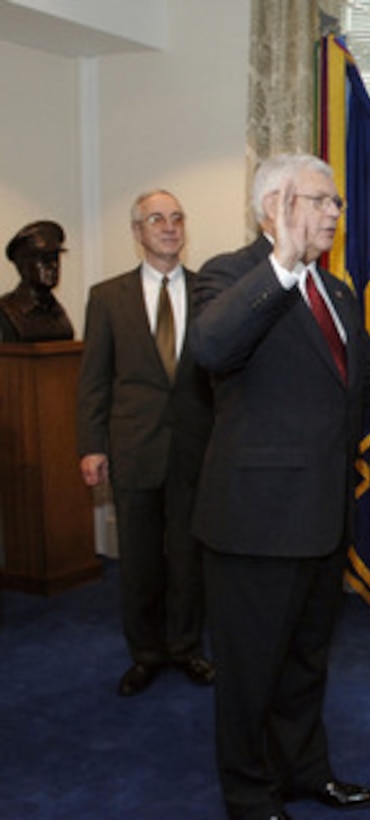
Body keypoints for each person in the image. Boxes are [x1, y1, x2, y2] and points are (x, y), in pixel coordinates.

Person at [190, 152, 370, 820]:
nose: (334, 213)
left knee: (304, 663)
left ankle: (303, 771)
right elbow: (211, 348)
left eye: (335, 203)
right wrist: (282, 266)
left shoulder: (339, 291)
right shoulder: (229, 276)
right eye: (321, 200)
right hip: (253, 522)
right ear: (276, 206)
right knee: (249, 673)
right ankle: (248, 794)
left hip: (323, 514)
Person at [77, 190, 215, 696]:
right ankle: (146, 654)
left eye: (177, 218)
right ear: (137, 232)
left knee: (188, 557)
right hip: (133, 448)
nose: (169, 227)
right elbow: (94, 380)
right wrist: (91, 445)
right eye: (157, 219)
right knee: (138, 559)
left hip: (195, 450)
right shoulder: (107, 297)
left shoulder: (209, 293)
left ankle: (186, 648)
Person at [0, 220, 74, 342]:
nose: (54, 265)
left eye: (55, 258)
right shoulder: (7, 310)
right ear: (22, 264)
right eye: (44, 259)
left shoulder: (58, 311)